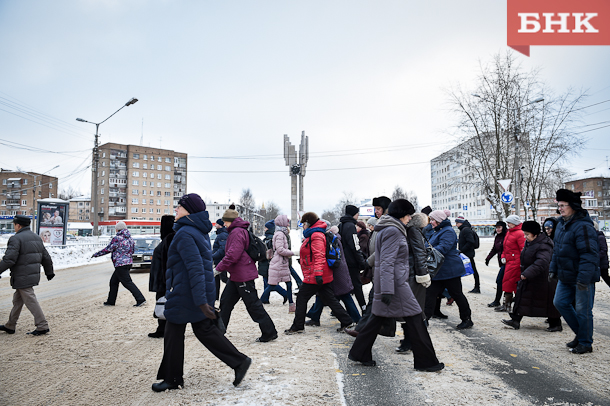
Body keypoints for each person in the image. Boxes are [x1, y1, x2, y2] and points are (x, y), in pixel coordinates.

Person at [153, 194, 251, 392]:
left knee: (173, 333)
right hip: (192, 292)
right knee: (204, 330)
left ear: (188, 210)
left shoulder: (185, 234)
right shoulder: (197, 231)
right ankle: (239, 361)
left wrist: (201, 301)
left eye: (179, 207)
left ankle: (172, 378)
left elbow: (196, 269)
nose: (176, 210)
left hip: (185, 293)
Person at [348, 200, 444, 371]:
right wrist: (386, 289)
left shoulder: (388, 228)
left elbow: (381, 258)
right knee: (416, 321)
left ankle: (359, 353)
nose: (409, 218)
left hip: (392, 284)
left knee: (375, 321)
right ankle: (427, 362)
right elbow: (386, 262)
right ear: (402, 214)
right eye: (408, 215)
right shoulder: (394, 231)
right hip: (396, 285)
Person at [216, 205, 278, 342]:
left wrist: (218, 268)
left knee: (253, 305)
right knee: (226, 302)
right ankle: (218, 331)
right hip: (238, 275)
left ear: (230, 221)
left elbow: (233, 255)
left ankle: (269, 332)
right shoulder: (237, 231)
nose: (223, 224)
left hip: (243, 275)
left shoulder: (237, 232)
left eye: (225, 221)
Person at [285, 212, 354, 334]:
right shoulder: (316, 234)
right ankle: (347, 321)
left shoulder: (316, 235)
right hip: (322, 273)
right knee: (330, 299)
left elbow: (319, 256)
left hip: (316, 274)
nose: (302, 226)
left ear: (307, 223)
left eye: (303, 223)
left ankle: (298, 326)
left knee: (302, 297)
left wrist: (317, 273)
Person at [550, 189, 600, 354]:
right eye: (559, 205)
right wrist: (553, 269)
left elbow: (589, 254)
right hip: (566, 276)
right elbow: (557, 251)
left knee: (583, 310)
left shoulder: (583, 226)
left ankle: (585, 343)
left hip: (582, 277)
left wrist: (583, 279)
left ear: (573, 206)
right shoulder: (562, 224)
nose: (560, 209)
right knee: (560, 303)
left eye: (563, 205)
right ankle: (581, 334)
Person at [501, 221, 562, 332]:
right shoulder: (530, 242)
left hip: (543, 278)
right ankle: (515, 320)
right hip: (531, 276)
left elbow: (542, 262)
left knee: (548, 302)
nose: (525, 237)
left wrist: (527, 273)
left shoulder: (544, 244)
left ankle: (556, 324)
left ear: (535, 234)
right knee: (522, 297)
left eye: (527, 234)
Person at [0, 215, 54, 336]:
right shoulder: (36, 237)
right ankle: (10, 325)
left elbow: (9, 259)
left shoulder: (16, 238)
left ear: (18, 225)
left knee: (30, 300)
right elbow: (45, 256)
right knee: (18, 300)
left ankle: (42, 325)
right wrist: (49, 271)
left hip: (22, 276)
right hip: (30, 275)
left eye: (14, 224)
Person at [423, 210, 473, 330]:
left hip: (450, 271)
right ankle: (424, 320)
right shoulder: (438, 231)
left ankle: (467, 319)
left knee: (457, 294)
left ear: (439, 220)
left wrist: (427, 251)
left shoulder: (448, 231)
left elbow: (443, 248)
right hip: (439, 271)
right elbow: (428, 243)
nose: (431, 223)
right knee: (430, 295)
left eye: (433, 220)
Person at [305, 224, 361, 325]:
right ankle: (314, 316)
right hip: (339, 269)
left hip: (334, 270)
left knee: (342, 295)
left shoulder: (328, 239)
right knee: (323, 293)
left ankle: (356, 318)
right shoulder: (335, 238)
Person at [396, 212, 432, 353]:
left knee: (412, 311)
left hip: (413, 275)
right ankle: (410, 340)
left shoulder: (411, 231)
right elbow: (418, 253)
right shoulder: (413, 231)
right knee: (411, 311)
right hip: (412, 274)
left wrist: (422, 275)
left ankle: (410, 341)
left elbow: (419, 253)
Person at [93, 221, 146, 307]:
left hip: (120, 264)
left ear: (117, 229)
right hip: (128, 263)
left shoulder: (117, 238)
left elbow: (108, 249)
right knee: (113, 282)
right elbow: (132, 250)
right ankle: (111, 301)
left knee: (127, 282)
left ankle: (140, 299)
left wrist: (96, 254)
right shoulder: (130, 238)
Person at [148, 215, 176, 338]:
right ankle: (163, 328)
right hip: (163, 279)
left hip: (164, 280)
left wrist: (167, 282)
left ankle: (164, 329)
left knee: (163, 303)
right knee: (163, 303)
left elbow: (167, 262)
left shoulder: (169, 239)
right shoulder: (167, 239)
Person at [262, 215, 296, 313]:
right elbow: (280, 249)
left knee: (287, 284)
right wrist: (292, 253)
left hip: (282, 262)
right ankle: (259, 302)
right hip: (279, 262)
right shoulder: (280, 234)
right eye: (287, 222)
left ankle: (291, 306)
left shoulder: (281, 233)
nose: (288, 224)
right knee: (273, 285)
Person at [339, 204, 367, 310]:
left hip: (343, 260)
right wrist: (361, 261)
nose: (358, 215)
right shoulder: (351, 226)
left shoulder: (341, 225)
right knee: (357, 285)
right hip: (351, 262)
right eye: (357, 213)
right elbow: (355, 246)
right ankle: (364, 309)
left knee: (344, 286)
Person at [495, 215, 524, 313]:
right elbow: (505, 247)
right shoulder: (509, 232)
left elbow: (522, 249)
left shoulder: (519, 233)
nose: (508, 224)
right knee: (506, 283)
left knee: (512, 284)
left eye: (509, 223)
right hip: (509, 262)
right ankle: (506, 305)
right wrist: (503, 256)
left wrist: (521, 262)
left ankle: (514, 306)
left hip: (516, 263)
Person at [485, 221, 508, 307]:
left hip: (507, 262)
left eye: (499, 227)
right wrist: (488, 258)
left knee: (500, 281)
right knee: (501, 281)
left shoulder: (506, 236)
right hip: (501, 262)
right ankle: (501, 301)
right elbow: (494, 249)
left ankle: (499, 301)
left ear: (503, 227)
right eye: (496, 227)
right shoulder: (497, 237)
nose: (497, 229)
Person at [455, 216, 480, 293]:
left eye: (457, 223)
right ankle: (476, 287)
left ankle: (477, 287)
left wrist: (461, 250)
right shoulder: (464, 229)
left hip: (467, 254)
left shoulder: (465, 230)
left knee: (472, 270)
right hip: (466, 254)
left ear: (461, 223)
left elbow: (470, 241)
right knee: (472, 270)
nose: (456, 225)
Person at [212, 219, 229, 301]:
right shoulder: (221, 234)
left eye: (217, 224)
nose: (215, 225)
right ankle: (215, 296)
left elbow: (222, 249)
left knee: (224, 278)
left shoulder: (222, 235)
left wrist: (213, 256)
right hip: (218, 260)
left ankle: (237, 290)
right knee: (216, 278)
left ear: (221, 225)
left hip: (220, 260)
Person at [593, 221, 609, 289]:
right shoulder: (595, 237)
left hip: (602, 263)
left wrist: (595, 257)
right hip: (598, 262)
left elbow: (604, 250)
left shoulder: (600, 237)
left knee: (606, 277)